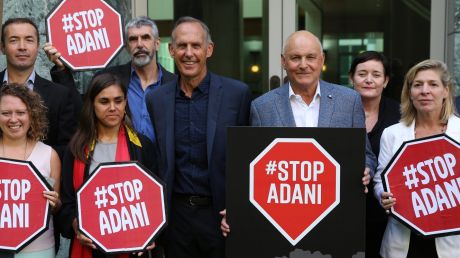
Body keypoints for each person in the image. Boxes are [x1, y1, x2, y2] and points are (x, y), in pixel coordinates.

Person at [221, 30, 376, 235]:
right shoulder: (262, 107)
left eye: (310, 57)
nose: (303, 64)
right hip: (282, 221)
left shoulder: (349, 101)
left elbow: (367, 155)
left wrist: (366, 169)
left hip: (336, 218)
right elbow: (253, 170)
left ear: (321, 60)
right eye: (295, 58)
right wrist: (237, 210)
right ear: (284, 62)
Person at [146, 16, 251, 258]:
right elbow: (155, 161)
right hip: (175, 218)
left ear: (209, 49)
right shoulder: (156, 100)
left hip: (221, 216)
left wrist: (240, 208)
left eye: (196, 45)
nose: (188, 53)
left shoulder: (237, 95)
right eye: (182, 46)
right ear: (171, 50)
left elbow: (248, 160)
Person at [59, 73, 157, 258]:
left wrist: (151, 232)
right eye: (104, 101)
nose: (113, 108)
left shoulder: (142, 146)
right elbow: (66, 202)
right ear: (92, 104)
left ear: (125, 102)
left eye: (118, 101)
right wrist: (75, 224)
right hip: (90, 247)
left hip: (132, 247)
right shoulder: (76, 149)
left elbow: (155, 198)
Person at [374, 59, 460, 258]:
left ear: (446, 91)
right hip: (402, 243)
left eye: (433, 84)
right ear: (409, 92)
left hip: (451, 245)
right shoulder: (392, 134)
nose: (425, 91)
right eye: (417, 85)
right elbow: (380, 179)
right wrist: (382, 196)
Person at [44, 16, 176, 142]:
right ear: (126, 46)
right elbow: (81, 113)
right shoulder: (110, 78)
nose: (139, 44)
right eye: (133, 39)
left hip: (162, 163)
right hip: (121, 160)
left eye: (146, 38)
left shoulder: (175, 84)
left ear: (157, 44)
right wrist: (61, 70)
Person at [0, 17, 77, 159]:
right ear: (2, 47)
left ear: (37, 47)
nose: (22, 46)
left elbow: (69, 146)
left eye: (29, 40)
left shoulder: (59, 95)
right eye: (14, 40)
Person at [348, 51, 400, 258]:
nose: (369, 80)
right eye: (362, 74)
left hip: (385, 209)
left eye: (376, 75)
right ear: (351, 78)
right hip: (345, 205)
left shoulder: (400, 114)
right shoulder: (338, 109)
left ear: (386, 81)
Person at [0, 84, 61, 258]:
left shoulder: (49, 155)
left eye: (20, 112)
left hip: (37, 249)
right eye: (5, 113)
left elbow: (56, 207)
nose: (13, 119)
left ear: (31, 114)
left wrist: (55, 203)